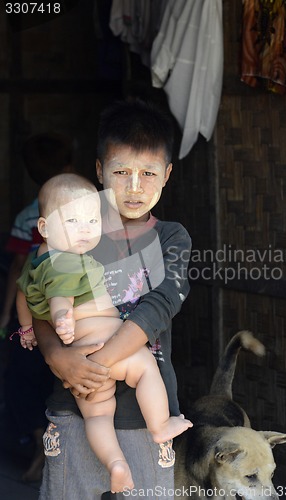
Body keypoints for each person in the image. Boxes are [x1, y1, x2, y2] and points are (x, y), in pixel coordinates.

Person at [33, 100, 192, 500]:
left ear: (167, 175)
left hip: (144, 414)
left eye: (149, 173)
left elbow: (159, 306)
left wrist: (92, 366)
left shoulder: (171, 238)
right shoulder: (74, 231)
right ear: (101, 170)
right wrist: (55, 356)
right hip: (75, 409)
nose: (135, 186)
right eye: (121, 172)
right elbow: (39, 298)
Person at [0, 132, 74, 483]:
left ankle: (41, 451)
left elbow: (18, 270)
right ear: (69, 166)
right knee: (54, 384)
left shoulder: (30, 214)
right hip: (63, 315)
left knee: (22, 383)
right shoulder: (84, 213)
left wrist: (8, 318)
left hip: (31, 312)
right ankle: (48, 454)